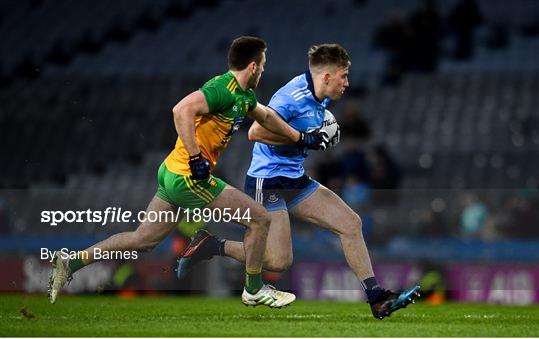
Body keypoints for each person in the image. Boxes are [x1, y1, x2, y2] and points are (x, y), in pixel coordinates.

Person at [47, 36, 329, 308]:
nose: (264, 70)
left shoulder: (244, 95)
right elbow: (181, 109)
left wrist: (299, 138)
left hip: (171, 173)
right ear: (253, 66)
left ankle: (71, 262)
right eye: (263, 64)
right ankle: (253, 289)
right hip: (188, 177)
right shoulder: (223, 89)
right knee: (259, 219)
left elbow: (266, 116)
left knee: (143, 239)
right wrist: (196, 158)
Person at [177, 44, 420, 319]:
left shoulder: (321, 97)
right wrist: (304, 137)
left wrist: (321, 133)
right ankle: (211, 245)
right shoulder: (292, 97)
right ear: (326, 77)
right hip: (267, 181)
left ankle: (376, 298)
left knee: (351, 223)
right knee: (278, 261)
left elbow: (307, 131)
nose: (347, 83)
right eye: (343, 76)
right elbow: (255, 132)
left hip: (295, 179)